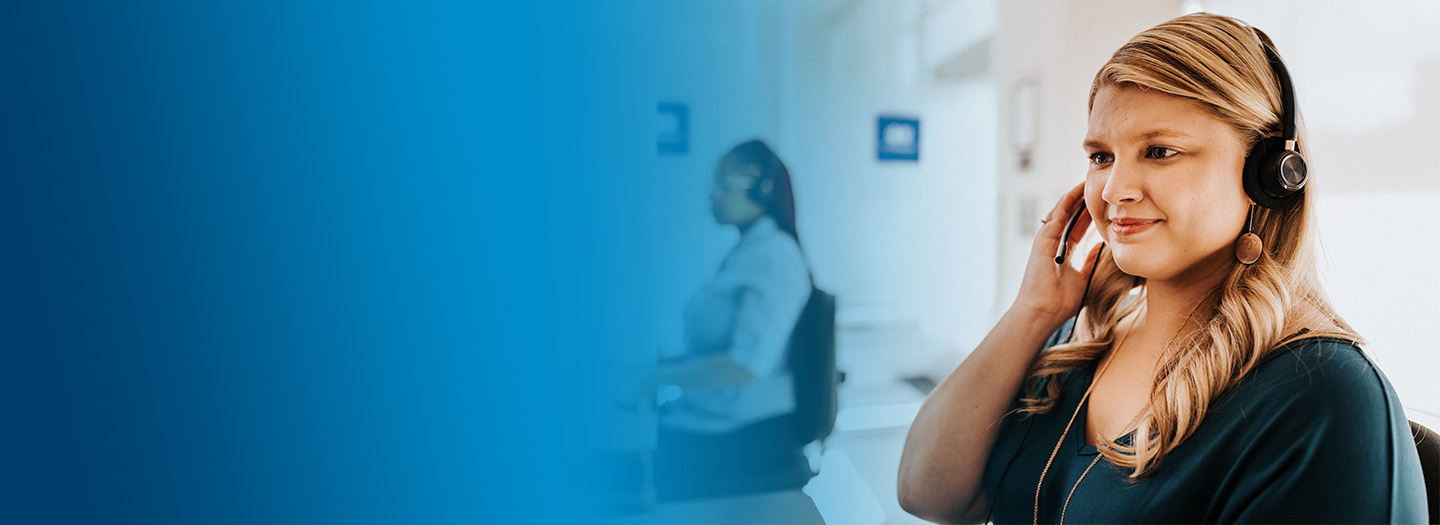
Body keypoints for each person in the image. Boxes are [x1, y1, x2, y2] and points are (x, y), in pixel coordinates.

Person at [897, 13, 1427, 524]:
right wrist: (1033, 311)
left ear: (1268, 173)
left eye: (1159, 151)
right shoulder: (1080, 334)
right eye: (1101, 156)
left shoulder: (1324, 396)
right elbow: (929, 494)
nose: (1113, 190)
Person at [649, 139, 816, 502]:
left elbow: (745, 364)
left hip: (742, 431)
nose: (712, 195)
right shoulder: (749, 251)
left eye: (723, 184)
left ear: (762, 189)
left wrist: (652, 378)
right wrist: (657, 367)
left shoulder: (774, 257)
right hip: (713, 415)